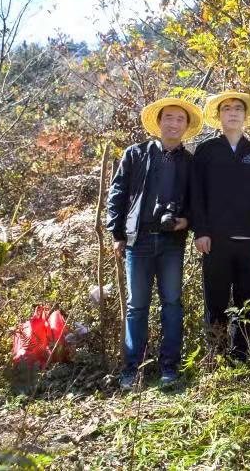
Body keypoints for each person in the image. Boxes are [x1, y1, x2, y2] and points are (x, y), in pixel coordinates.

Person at [107, 97, 202, 388]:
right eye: (169, 118)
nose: (174, 123)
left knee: (172, 303)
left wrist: (187, 222)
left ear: (186, 127)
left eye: (180, 119)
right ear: (159, 122)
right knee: (137, 305)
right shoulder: (136, 154)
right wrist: (117, 234)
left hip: (173, 241)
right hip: (139, 239)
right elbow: (117, 194)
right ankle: (132, 368)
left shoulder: (191, 162)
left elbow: (198, 202)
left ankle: (169, 367)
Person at [191, 91, 250, 362]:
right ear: (219, 115)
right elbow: (196, 194)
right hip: (215, 239)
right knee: (215, 297)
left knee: (246, 299)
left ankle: (242, 354)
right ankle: (215, 352)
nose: (233, 113)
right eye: (227, 109)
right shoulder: (206, 151)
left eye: (238, 108)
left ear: (245, 115)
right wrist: (200, 231)